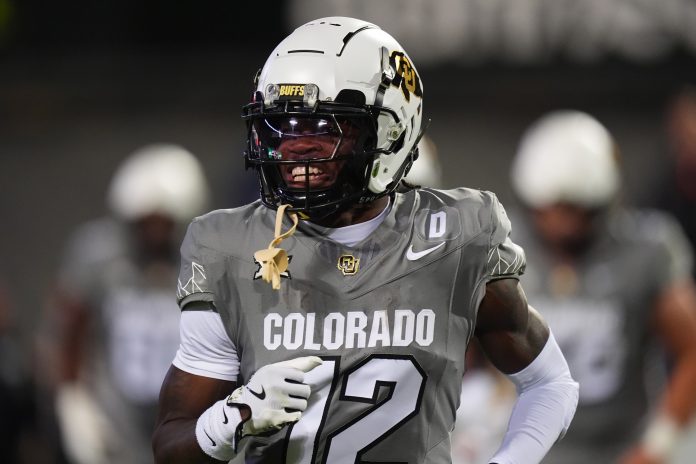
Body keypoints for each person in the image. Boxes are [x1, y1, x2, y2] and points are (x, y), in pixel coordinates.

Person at [153, 17, 579, 464]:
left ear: (389, 132)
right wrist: (232, 420)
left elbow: (550, 383)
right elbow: (170, 445)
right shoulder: (230, 249)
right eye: (284, 126)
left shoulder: (456, 237)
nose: (296, 148)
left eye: (323, 128)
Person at [509, 110, 696, 464]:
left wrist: (658, 445)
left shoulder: (644, 250)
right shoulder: (504, 246)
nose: (563, 227)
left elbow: (692, 349)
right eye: (553, 209)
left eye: (577, 210)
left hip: (620, 449)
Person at [48, 144, 210, 464]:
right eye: (144, 222)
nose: (153, 232)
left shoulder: (206, 257)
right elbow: (69, 329)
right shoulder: (100, 256)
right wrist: (72, 402)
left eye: (163, 221)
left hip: (184, 415)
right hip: (117, 414)